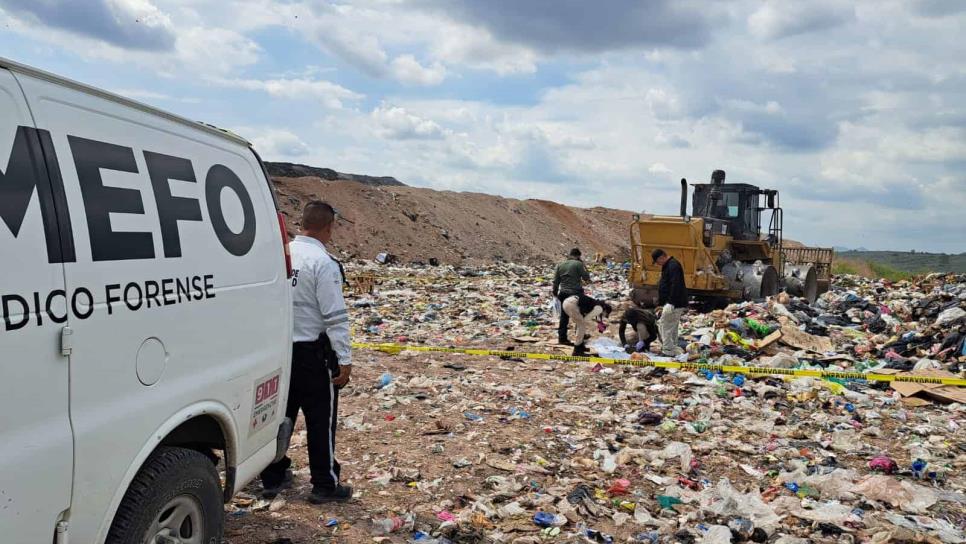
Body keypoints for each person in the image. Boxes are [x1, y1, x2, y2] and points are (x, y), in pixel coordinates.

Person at [261, 201, 353, 504]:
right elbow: (335, 316)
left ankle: (273, 475)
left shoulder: (280, 254)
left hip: (278, 350)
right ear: (329, 227)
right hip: (313, 355)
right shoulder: (323, 263)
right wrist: (345, 358)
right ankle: (325, 483)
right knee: (320, 421)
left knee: (278, 415)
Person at [652, 248, 687, 356]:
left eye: (657, 262)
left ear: (662, 257)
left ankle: (668, 350)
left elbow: (675, 285)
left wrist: (671, 302)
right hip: (671, 303)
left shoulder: (673, 265)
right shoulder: (668, 265)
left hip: (674, 303)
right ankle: (673, 348)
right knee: (672, 326)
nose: (658, 264)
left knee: (665, 325)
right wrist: (661, 304)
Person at [552, 248, 591, 345]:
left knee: (564, 317)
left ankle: (562, 338)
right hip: (576, 294)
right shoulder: (578, 264)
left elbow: (556, 281)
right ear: (578, 256)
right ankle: (579, 336)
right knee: (580, 315)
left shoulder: (560, 265)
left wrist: (555, 292)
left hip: (563, 293)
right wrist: (584, 266)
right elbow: (586, 278)